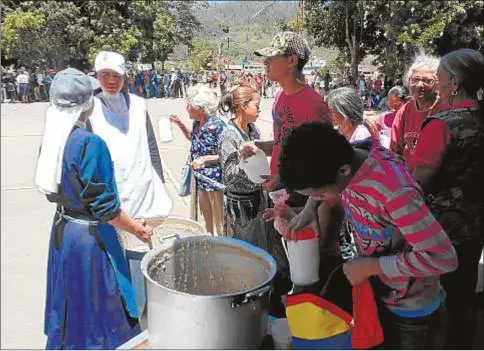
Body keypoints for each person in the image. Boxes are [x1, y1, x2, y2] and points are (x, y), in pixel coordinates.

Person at [278, 121, 458, 349]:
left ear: (343, 171)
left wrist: (369, 267)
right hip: (378, 292)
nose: (320, 198)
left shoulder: (395, 191)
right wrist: (308, 210)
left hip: (411, 311)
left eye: (321, 194)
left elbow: (443, 258)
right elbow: (323, 177)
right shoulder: (348, 154)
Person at [35, 68, 151, 349]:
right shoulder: (90, 143)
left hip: (65, 232)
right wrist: (138, 228)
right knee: (100, 313)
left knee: (71, 306)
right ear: (88, 103)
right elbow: (106, 209)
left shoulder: (55, 139)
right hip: (91, 240)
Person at [412, 48, 484, 350]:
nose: (437, 86)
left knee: (435, 295)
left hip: (440, 229)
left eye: (439, 79)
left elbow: (417, 182)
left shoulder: (442, 125)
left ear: (454, 83)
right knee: (464, 294)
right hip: (476, 223)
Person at [88, 51, 172, 222]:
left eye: (117, 76)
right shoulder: (90, 108)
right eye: (105, 75)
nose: (112, 81)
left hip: (141, 182)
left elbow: (150, 143)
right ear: (97, 75)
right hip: (110, 186)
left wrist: (159, 180)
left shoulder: (138, 104)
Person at [170, 85, 225, 235]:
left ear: (200, 108)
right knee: (205, 219)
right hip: (200, 180)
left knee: (219, 221)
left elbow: (227, 154)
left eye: (189, 105)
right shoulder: (197, 124)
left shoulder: (217, 126)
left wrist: (205, 159)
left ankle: (222, 246)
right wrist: (180, 124)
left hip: (215, 182)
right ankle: (208, 243)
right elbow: (192, 138)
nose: (187, 108)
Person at [390, 52, 447, 173]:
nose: (420, 85)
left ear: (438, 83)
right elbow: (395, 151)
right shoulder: (405, 110)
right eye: (415, 80)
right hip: (407, 181)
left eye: (427, 81)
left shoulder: (445, 110)